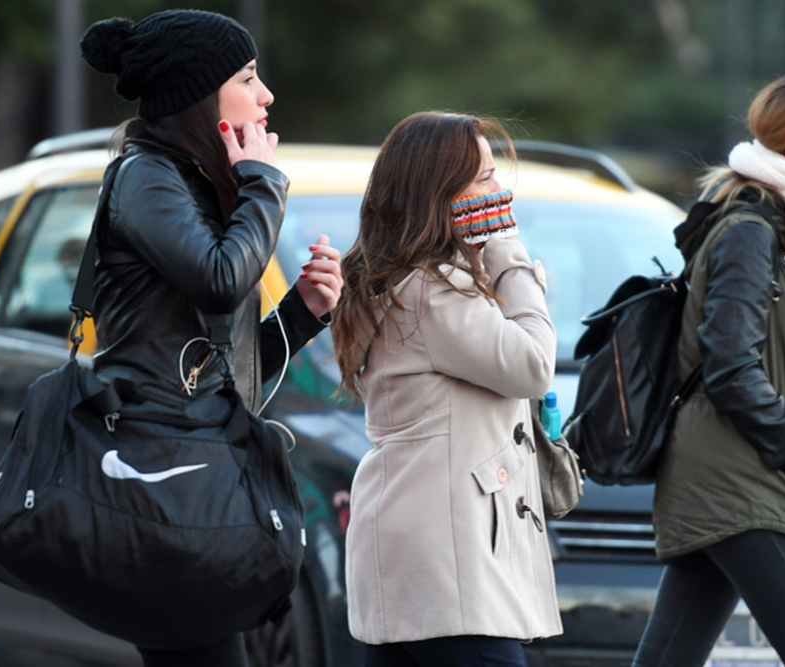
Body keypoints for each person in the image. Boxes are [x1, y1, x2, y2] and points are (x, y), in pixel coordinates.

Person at [79, 9, 341, 667]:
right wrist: (263, 182)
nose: (266, 96)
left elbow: (227, 376)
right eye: (249, 78)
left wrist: (301, 312)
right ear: (202, 94)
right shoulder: (146, 178)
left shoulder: (192, 187)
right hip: (160, 486)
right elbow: (221, 279)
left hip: (195, 486)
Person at [632, 69, 785, 666]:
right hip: (742, 478)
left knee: (670, 656)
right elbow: (729, 365)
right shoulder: (752, 230)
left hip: (729, 473)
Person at [331, 111, 562, 666]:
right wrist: (509, 256)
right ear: (439, 192)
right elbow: (532, 364)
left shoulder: (408, 283)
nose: (498, 190)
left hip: (423, 553)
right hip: (447, 565)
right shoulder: (432, 293)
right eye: (482, 176)